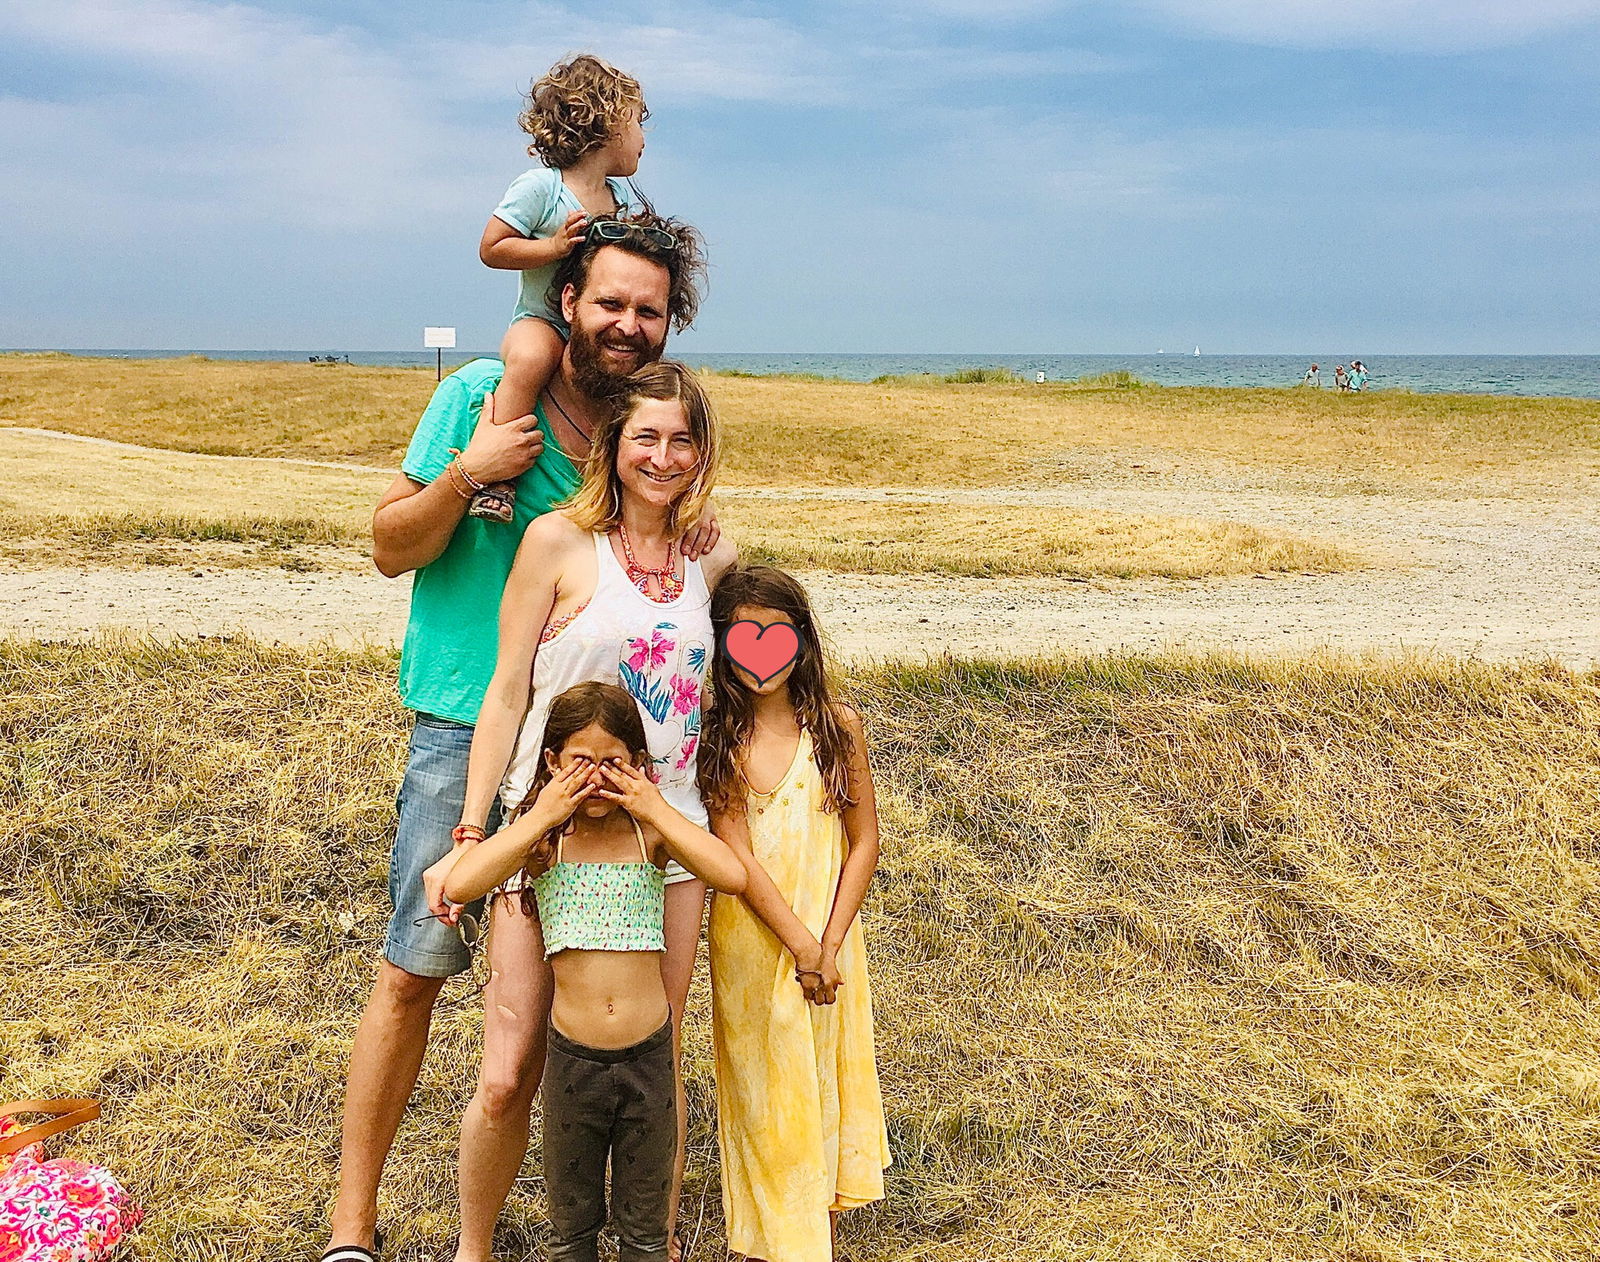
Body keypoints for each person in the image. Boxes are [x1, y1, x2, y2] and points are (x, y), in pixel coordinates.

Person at [321, 211, 713, 1262]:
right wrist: (468, 468)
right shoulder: (479, 399)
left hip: (590, 753)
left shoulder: (641, 434)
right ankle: (352, 1227)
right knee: (414, 965)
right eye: (609, 303)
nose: (627, 324)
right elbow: (386, 546)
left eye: (649, 309)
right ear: (567, 302)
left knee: (552, 1022)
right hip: (467, 720)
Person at [424, 358, 737, 1262]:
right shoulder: (559, 542)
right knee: (511, 1062)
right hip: (550, 828)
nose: (664, 456)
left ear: (702, 451)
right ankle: (471, 1250)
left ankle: (654, 1244)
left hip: (665, 831)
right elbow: (507, 690)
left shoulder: (711, 555)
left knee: (657, 1054)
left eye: (683, 439)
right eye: (646, 436)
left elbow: (730, 687)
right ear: (614, 445)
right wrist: (476, 828)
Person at [443, 682, 746, 1262]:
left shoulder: (648, 834)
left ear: (636, 764)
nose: (597, 778)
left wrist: (655, 804)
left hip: (648, 1060)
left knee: (646, 1232)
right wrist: (540, 815)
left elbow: (730, 875)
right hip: (573, 1064)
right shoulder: (547, 842)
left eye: (613, 763)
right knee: (571, 1231)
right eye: (580, 762)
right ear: (552, 762)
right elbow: (462, 884)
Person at [700, 565, 892, 1262]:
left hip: (834, 944)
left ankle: (815, 1243)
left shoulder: (838, 729)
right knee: (763, 1096)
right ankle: (766, 1246)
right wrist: (798, 945)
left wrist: (829, 942)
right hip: (756, 946)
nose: (761, 654)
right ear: (721, 646)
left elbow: (864, 840)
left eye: (777, 634)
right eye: (743, 638)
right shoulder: (719, 737)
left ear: (802, 640)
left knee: (821, 1084)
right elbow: (738, 855)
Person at [471, 54, 650, 523]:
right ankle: (496, 476)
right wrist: (552, 246)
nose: (643, 139)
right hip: (540, 320)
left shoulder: (621, 199)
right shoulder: (542, 188)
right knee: (533, 359)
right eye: (638, 122)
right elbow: (493, 248)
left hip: (592, 329)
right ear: (608, 120)